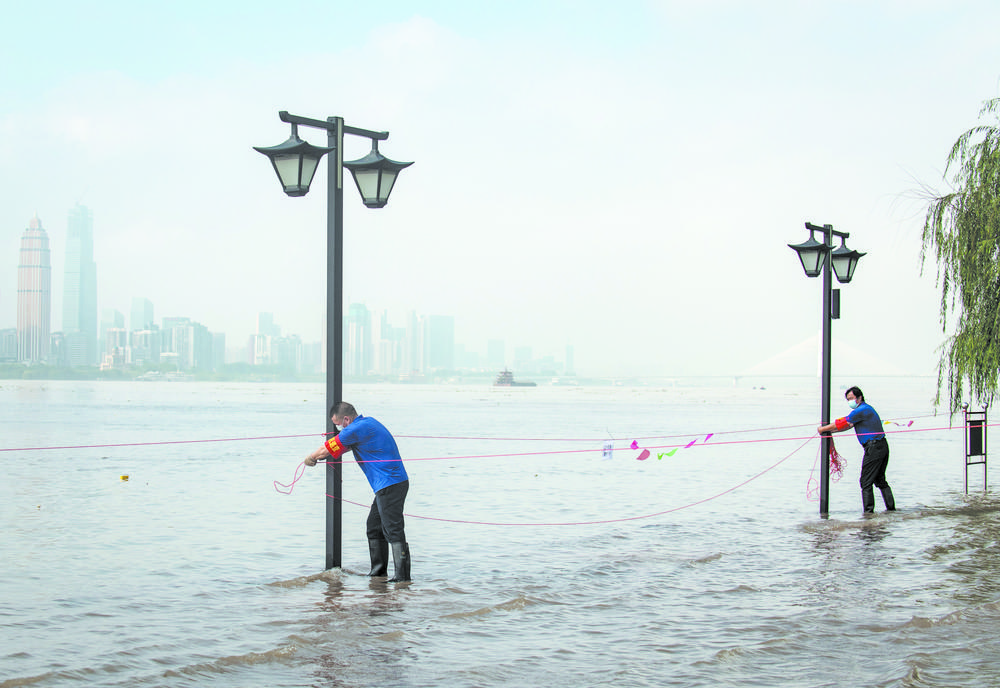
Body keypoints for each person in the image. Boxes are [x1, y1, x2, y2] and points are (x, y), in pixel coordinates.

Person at [304, 402, 411, 582]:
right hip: (388, 484)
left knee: (393, 529)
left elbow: (325, 449)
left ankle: (402, 578)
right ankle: (378, 573)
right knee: (374, 527)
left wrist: (310, 458)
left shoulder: (356, 428)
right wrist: (326, 452)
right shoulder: (367, 424)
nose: (339, 428)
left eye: (338, 424)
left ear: (346, 419)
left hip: (390, 484)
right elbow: (341, 447)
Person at [817, 386, 896, 513]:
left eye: (851, 398)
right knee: (880, 479)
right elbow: (847, 426)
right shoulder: (864, 410)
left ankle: (868, 514)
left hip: (874, 447)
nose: (850, 402)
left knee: (865, 481)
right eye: (848, 399)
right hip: (881, 446)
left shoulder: (862, 410)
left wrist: (822, 429)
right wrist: (830, 430)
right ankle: (891, 510)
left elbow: (843, 422)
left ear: (859, 397)